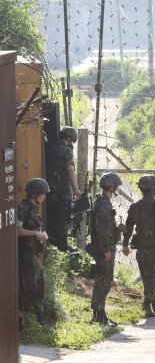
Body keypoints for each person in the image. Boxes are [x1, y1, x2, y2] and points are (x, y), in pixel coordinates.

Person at [122, 174, 155, 317]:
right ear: (154, 189)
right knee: (154, 276)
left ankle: (151, 299)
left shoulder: (135, 207)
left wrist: (125, 244)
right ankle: (149, 301)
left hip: (142, 248)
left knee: (146, 276)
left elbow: (128, 226)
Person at [90, 172, 123, 326]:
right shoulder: (104, 204)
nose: (117, 188)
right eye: (115, 185)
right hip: (104, 249)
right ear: (111, 186)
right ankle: (99, 314)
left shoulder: (102, 202)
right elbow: (102, 229)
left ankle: (99, 313)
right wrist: (106, 250)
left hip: (105, 247)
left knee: (102, 280)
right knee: (105, 280)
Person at [17, 178, 50, 321]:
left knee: (38, 285)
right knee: (30, 287)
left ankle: (37, 315)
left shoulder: (33, 208)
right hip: (26, 254)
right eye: (43, 193)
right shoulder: (23, 209)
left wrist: (40, 234)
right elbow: (17, 231)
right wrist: (35, 233)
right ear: (36, 193)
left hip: (34, 252)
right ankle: (32, 318)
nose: (44, 196)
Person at [46, 126, 81, 254]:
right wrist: (76, 188)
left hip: (50, 189)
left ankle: (53, 239)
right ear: (70, 138)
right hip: (63, 190)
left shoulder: (51, 149)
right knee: (64, 216)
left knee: (53, 215)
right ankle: (63, 244)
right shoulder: (66, 151)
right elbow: (70, 169)